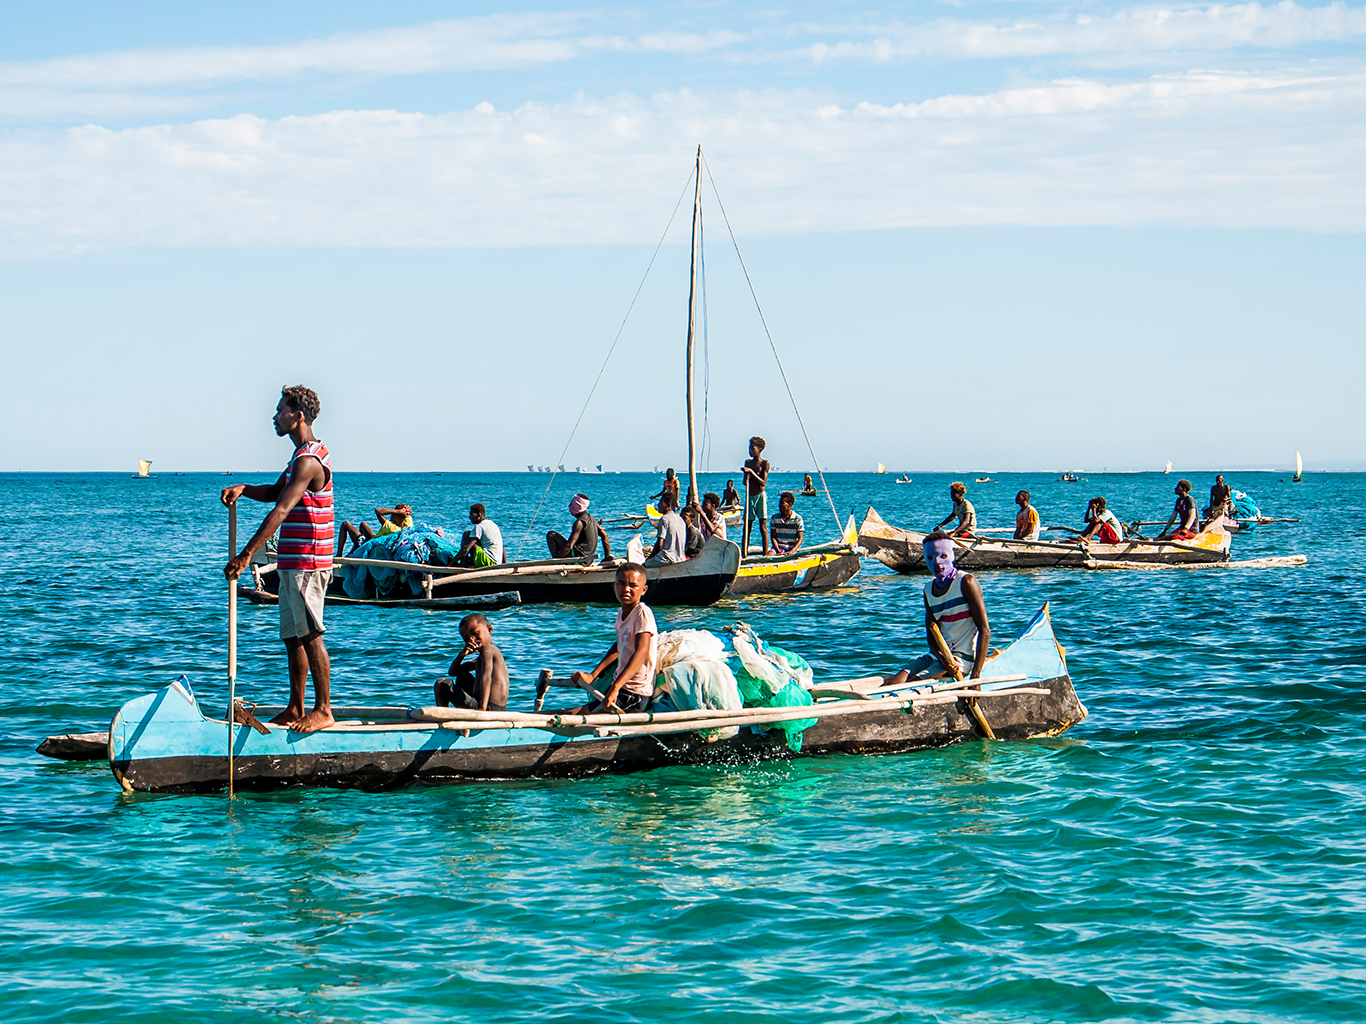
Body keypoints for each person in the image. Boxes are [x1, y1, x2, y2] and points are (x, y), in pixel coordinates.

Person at [222, 385, 336, 733]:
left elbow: (282, 508)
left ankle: (323, 710)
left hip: (309, 560)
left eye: (280, 410)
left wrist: (245, 555)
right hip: (292, 561)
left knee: (311, 633)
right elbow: (275, 492)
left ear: (297, 416)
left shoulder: (309, 460)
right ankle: (296, 707)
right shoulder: (297, 458)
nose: (275, 417)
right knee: (293, 635)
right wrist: (245, 488)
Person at [886, 531, 990, 685]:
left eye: (943, 556)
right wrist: (942, 657)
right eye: (930, 558)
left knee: (911, 685)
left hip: (961, 659)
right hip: (939, 655)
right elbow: (931, 634)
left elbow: (985, 630)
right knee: (895, 681)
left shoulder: (966, 582)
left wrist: (976, 677)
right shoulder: (929, 590)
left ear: (952, 555)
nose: (937, 563)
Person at [566, 563, 659, 714]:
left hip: (634, 694)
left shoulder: (642, 612)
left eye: (633, 585)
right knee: (568, 713)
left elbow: (641, 653)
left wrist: (615, 687)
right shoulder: (622, 613)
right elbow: (618, 648)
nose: (626, 589)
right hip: (619, 689)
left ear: (643, 590)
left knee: (572, 718)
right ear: (614, 585)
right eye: (621, 583)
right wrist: (592, 676)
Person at [434, 613, 509, 712]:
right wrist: (462, 654)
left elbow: (486, 677)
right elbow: (453, 672)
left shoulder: (488, 649)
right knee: (462, 677)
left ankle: (442, 716)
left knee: (441, 683)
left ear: (489, 629)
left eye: (475, 633)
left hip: (487, 708)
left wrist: (482, 708)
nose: (472, 639)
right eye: (466, 639)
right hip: (493, 707)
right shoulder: (484, 657)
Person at [547, 494, 612, 560]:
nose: (569, 506)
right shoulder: (592, 519)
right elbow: (605, 535)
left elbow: (569, 546)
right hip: (589, 560)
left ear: (578, 506)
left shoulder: (579, 523)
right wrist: (607, 556)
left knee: (551, 535)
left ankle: (556, 560)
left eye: (571, 504)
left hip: (579, 559)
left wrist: (556, 559)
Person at [337, 503, 412, 556]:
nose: (390, 516)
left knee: (345, 524)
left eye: (393, 514)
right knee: (363, 524)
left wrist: (398, 511)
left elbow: (378, 511)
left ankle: (340, 554)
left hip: (370, 546)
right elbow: (408, 514)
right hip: (375, 539)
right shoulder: (408, 524)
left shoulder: (391, 527)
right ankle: (355, 548)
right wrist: (406, 509)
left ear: (397, 515)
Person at [741, 436, 771, 555]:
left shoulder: (764, 463)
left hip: (760, 496)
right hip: (750, 496)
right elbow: (745, 482)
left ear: (759, 450)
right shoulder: (748, 462)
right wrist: (746, 475)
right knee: (747, 526)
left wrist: (751, 473)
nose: (750, 451)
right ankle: (744, 553)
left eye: (752, 448)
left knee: (762, 525)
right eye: (749, 448)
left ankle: (765, 553)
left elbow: (763, 482)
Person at [645, 492, 687, 566]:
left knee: (643, 567)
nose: (658, 505)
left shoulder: (664, 519)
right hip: (680, 559)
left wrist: (649, 558)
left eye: (661, 503)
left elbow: (659, 545)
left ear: (668, 505)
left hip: (667, 558)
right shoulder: (680, 519)